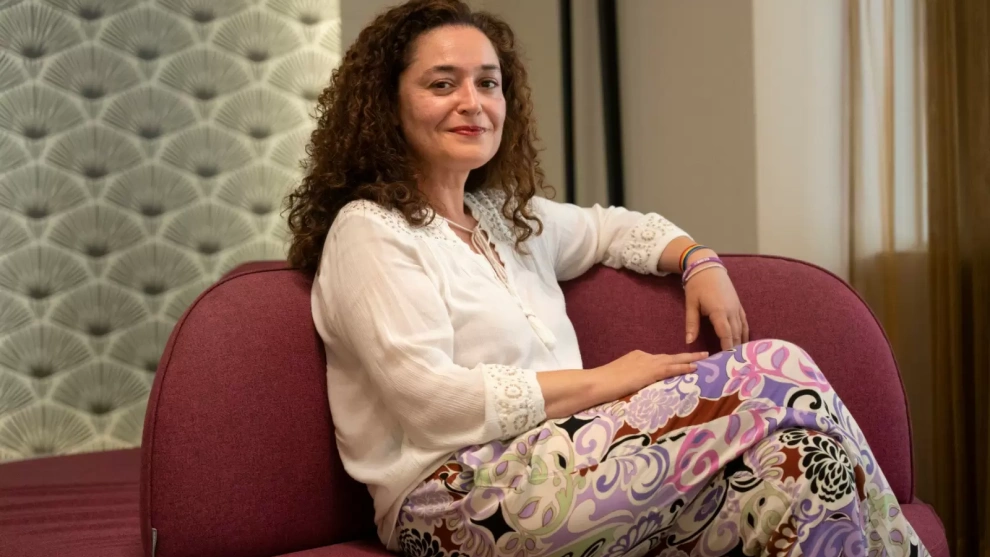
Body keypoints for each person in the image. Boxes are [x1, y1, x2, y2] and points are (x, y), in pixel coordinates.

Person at [284, 1, 928, 555]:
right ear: (387, 103)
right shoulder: (370, 231)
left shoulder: (505, 219)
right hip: (452, 504)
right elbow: (430, 403)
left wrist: (697, 259)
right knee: (777, 367)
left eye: (488, 83)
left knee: (798, 471)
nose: (472, 103)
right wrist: (609, 381)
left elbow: (615, 228)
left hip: (566, 470)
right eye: (442, 84)